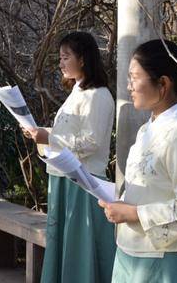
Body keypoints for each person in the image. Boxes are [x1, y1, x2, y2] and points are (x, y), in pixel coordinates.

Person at [99, 39, 177, 283]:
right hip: (130, 254)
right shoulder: (147, 130)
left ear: (162, 83)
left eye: (134, 78)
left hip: (164, 264)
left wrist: (134, 213)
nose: (128, 86)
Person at [24, 31, 116, 282]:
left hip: (83, 183)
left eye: (66, 57)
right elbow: (70, 134)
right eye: (60, 57)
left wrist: (49, 138)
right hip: (65, 177)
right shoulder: (78, 90)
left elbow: (91, 142)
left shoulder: (98, 95)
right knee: (65, 245)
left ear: (83, 59)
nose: (61, 62)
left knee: (79, 249)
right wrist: (42, 133)